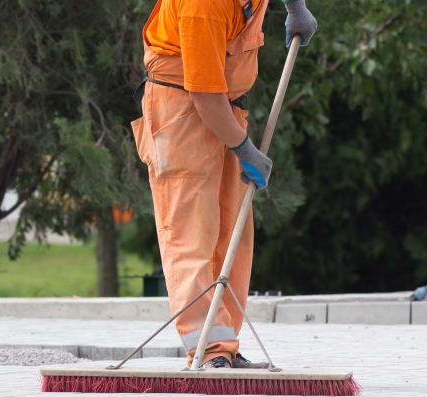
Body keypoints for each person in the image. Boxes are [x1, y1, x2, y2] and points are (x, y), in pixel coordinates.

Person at [131, 0, 317, 368]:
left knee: (233, 230)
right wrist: (244, 148)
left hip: (224, 105)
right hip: (181, 109)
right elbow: (203, 92)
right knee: (191, 234)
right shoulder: (204, 5)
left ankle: (224, 345)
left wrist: (296, 7)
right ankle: (209, 351)